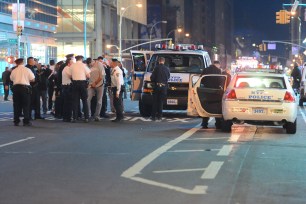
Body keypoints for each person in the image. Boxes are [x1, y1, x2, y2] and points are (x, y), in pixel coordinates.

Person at [10, 58, 35, 126]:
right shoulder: (27, 69)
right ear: (23, 62)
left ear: (17, 63)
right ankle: (26, 121)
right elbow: (32, 79)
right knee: (26, 105)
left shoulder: (14, 70)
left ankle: (16, 121)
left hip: (16, 88)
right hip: (25, 88)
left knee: (16, 105)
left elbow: (11, 79)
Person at [200, 60, 223, 129]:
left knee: (205, 106)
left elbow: (201, 80)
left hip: (206, 91)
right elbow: (220, 81)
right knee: (216, 107)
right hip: (215, 91)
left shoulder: (206, 70)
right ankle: (218, 124)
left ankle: (204, 123)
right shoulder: (218, 71)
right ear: (218, 64)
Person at [70, 55, 91, 123]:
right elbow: (88, 76)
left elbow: (70, 75)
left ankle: (75, 118)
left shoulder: (72, 65)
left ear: (76, 59)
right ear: (81, 59)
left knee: (75, 101)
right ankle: (86, 117)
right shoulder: (84, 65)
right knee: (84, 101)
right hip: (82, 84)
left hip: (74, 84)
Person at [150, 57, 170, 121]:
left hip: (157, 86)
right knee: (161, 102)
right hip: (164, 87)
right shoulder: (167, 69)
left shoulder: (156, 68)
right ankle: (160, 116)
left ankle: (153, 116)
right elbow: (168, 77)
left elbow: (152, 78)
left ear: (159, 61)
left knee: (155, 102)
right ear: (163, 61)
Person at [61, 58, 73, 122]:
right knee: (68, 103)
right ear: (69, 63)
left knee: (66, 103)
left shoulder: (65, 68)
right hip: (67, 87)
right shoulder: (67, 68)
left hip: (65, 86)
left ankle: (66, 117)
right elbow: (71, 76)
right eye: (72, 62)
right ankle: (67, 117)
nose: (73, 64)